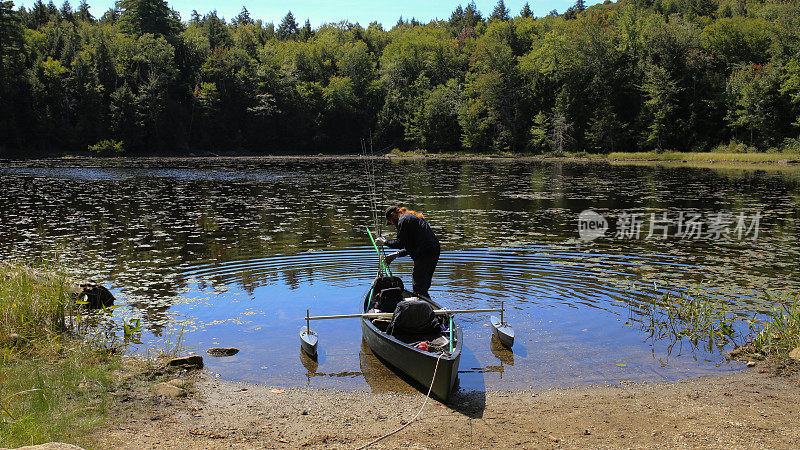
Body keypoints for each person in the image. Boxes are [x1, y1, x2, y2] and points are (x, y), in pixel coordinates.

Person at [376, 206, 440, 299]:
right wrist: (397, 254)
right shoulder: (410, 217)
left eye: (391, 221)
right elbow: (412, 244)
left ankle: (422, 309)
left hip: (425, 252)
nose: (393, 225)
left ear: (393, 215)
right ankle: (427, 306)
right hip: (433, 250)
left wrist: (384, 242)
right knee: (423, 285)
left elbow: (400, 243)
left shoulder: (403, 220)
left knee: (418, 286)